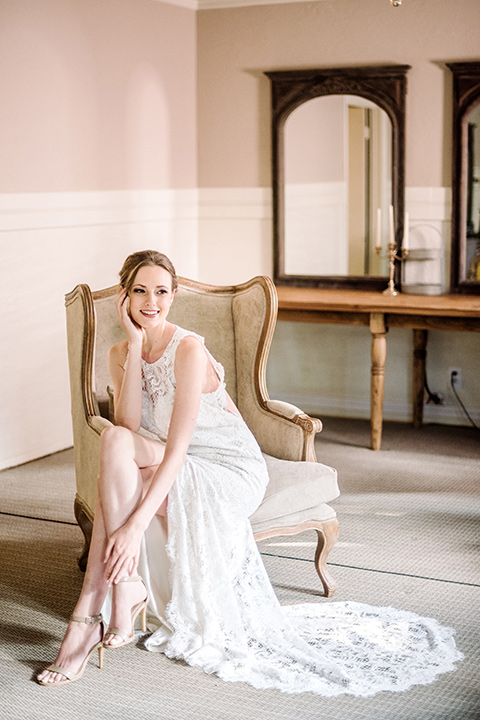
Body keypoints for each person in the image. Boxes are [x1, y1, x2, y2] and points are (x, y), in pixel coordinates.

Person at [37, 250, 462, 694]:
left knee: (117, 490)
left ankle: (90, 617)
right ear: (125, 296)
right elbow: (125, 428)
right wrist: (137, 346)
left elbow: (179, 451)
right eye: (140, 291)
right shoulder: (122, 351)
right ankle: (123, 585)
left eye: (161, 292)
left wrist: (134, 527)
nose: (151, 302)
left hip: (226, 467)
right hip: (166, 455)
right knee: (112, 442)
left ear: (174, 295)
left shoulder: (189, 349)